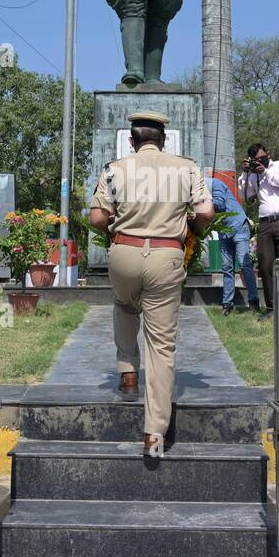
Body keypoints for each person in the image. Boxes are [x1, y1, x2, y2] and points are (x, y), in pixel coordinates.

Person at [90, 110, 214, 457]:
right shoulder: (187, 168)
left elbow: (97, 217)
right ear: (163, 140)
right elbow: (205, 212)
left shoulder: (115, 168)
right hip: (166, 256)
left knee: (124, 304)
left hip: (124, 254)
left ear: (132, 141)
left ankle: (128, 372)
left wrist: (118, 219)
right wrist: (191, 226)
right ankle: (154, 432)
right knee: (162, 345)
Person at [237, 143, 279, 318]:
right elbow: (245, 196)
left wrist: (264, 171)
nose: (259, 162)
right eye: (255, 160)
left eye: (262, 157)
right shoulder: (254, 174)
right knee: (265, 264)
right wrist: (246, 173)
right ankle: (272, 308)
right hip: (264, 223)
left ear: (268, 154)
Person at [208, 175, 259, 315]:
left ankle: (254, 302)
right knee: (227, 267)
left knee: (244, 264)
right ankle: (227, 304)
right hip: (224, 231)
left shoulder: (215, 184)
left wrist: (200, 202)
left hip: (238, 226)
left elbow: (219, 204)